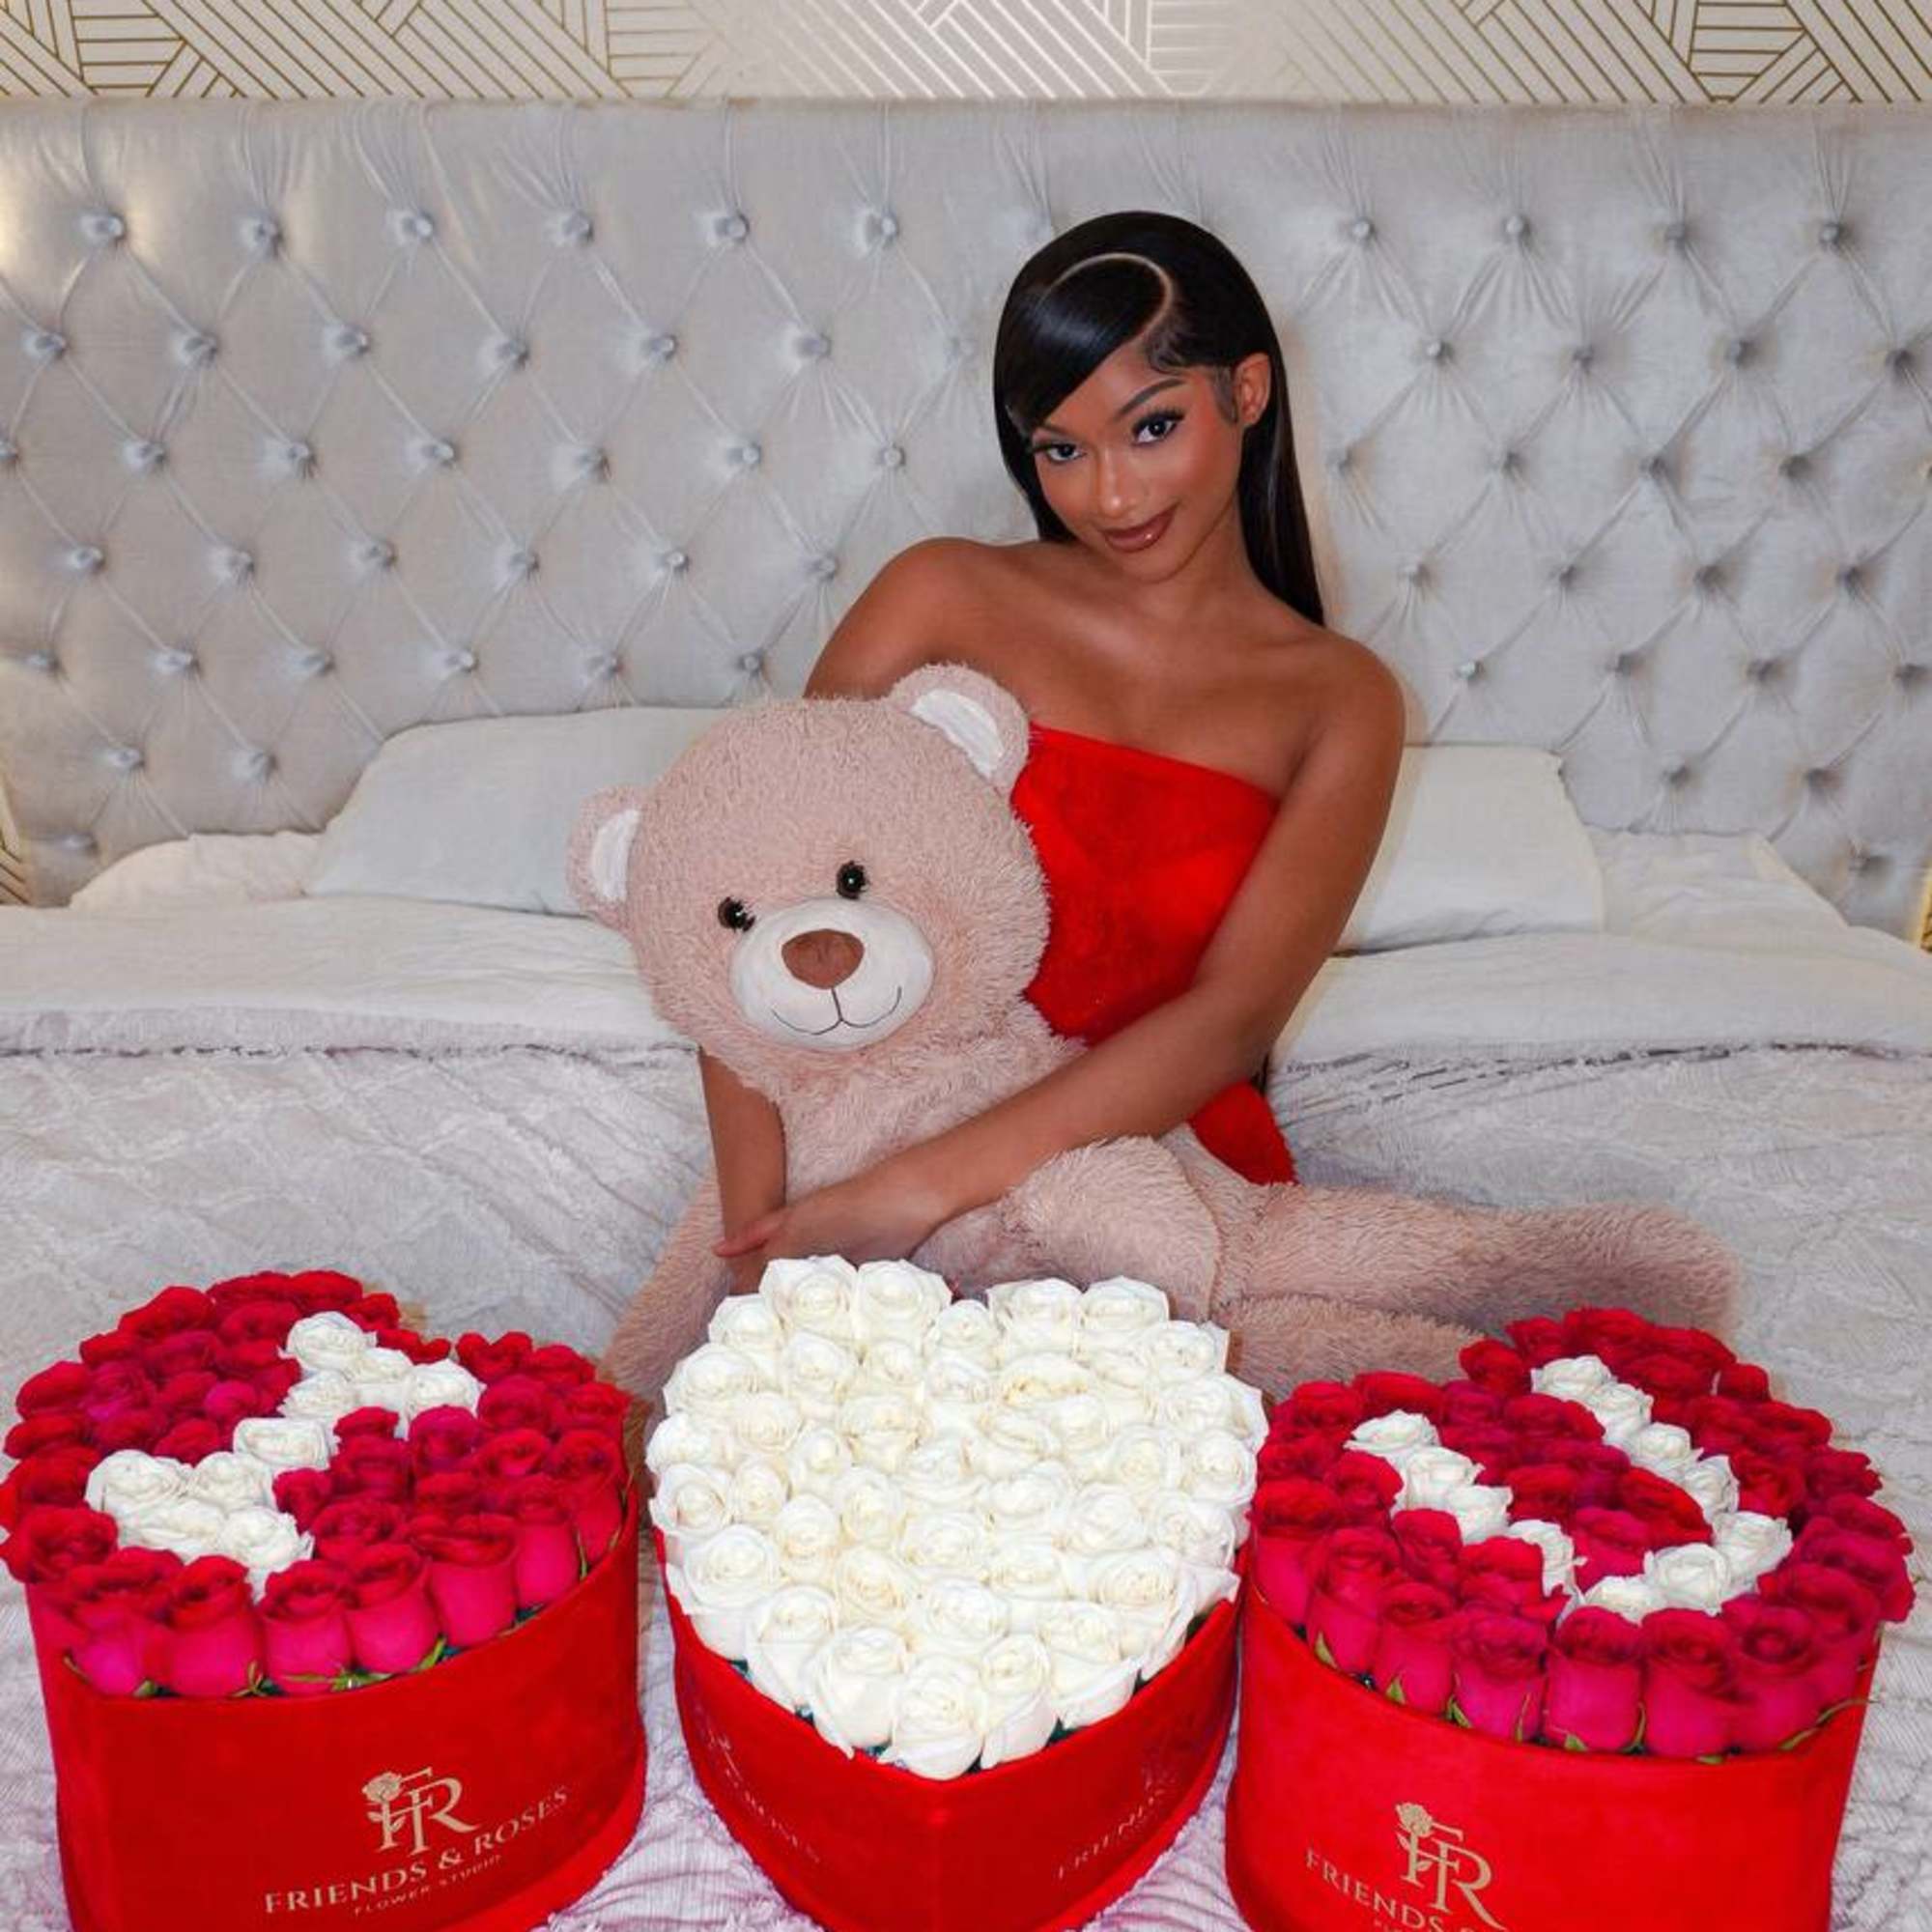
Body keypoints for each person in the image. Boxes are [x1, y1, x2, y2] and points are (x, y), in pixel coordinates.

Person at [706, 210, 1405, 1290]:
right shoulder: (939, 595)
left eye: (1152, 427)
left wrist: (920, 1189)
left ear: (1247, 392)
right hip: (866, 1142)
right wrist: (760, 1237)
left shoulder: (1338, 700)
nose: (1109, 495)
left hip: (1158, 1177)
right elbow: (744, 895)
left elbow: (1229, 1020)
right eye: (1061, 450)